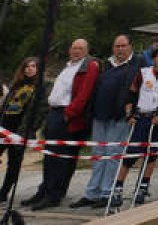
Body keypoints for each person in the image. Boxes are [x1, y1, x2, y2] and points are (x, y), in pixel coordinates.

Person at [22, 38, 99, 211]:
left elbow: (84, 94)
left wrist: (68, 114)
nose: (76, 51)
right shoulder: (68, 66)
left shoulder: (89, 66)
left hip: (67, 116)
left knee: (61, 158)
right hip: (55, 112)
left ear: (86, 50)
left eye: (80, 48)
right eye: (74, 48)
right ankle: (44, 190)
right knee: (49, 156)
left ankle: (53, 195)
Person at [73, 35, 144, 209]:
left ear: (130, 47)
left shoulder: (138, 65)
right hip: (99, 116)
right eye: (117, 46)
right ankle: (92, 193)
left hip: (119, 118)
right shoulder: (106, 64)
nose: (120, 49)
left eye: (123, 46)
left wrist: (131, 111)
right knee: (98, 155)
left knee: (113, 155)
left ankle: (107, 194)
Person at [112, 44, 158, 207]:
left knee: (152, 155)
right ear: (154, 58)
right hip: (141, 117)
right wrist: (129, 114)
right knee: (131, 154)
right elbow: (131, 94)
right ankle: (118, 189)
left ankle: (143, 187)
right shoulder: (143, 73)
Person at [1, 58, 46, 204]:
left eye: (33, 66)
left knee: (13, 164)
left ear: (38, 69)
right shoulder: (16, 85)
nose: (29, 69)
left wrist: (30, 130)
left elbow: (40, 112)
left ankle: (3, 193)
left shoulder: (40, 88)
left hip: (20, 130)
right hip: (4, 127)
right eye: (26, 66)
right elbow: (5, 107)